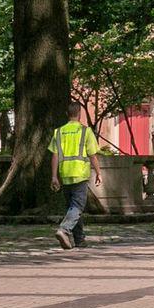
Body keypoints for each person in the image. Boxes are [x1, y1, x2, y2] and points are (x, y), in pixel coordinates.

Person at [50, 107, 102, 250]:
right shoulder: (86, 131)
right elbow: (92, 155)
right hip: (80, 174)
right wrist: (98, 172)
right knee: (78, 206)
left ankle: (79, 239)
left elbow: (54, 155)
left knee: (72, 207)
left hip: (65, 174)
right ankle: (64, 230)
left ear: (67, 113)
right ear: (79, 113)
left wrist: (54, 176)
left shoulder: (59, 132)